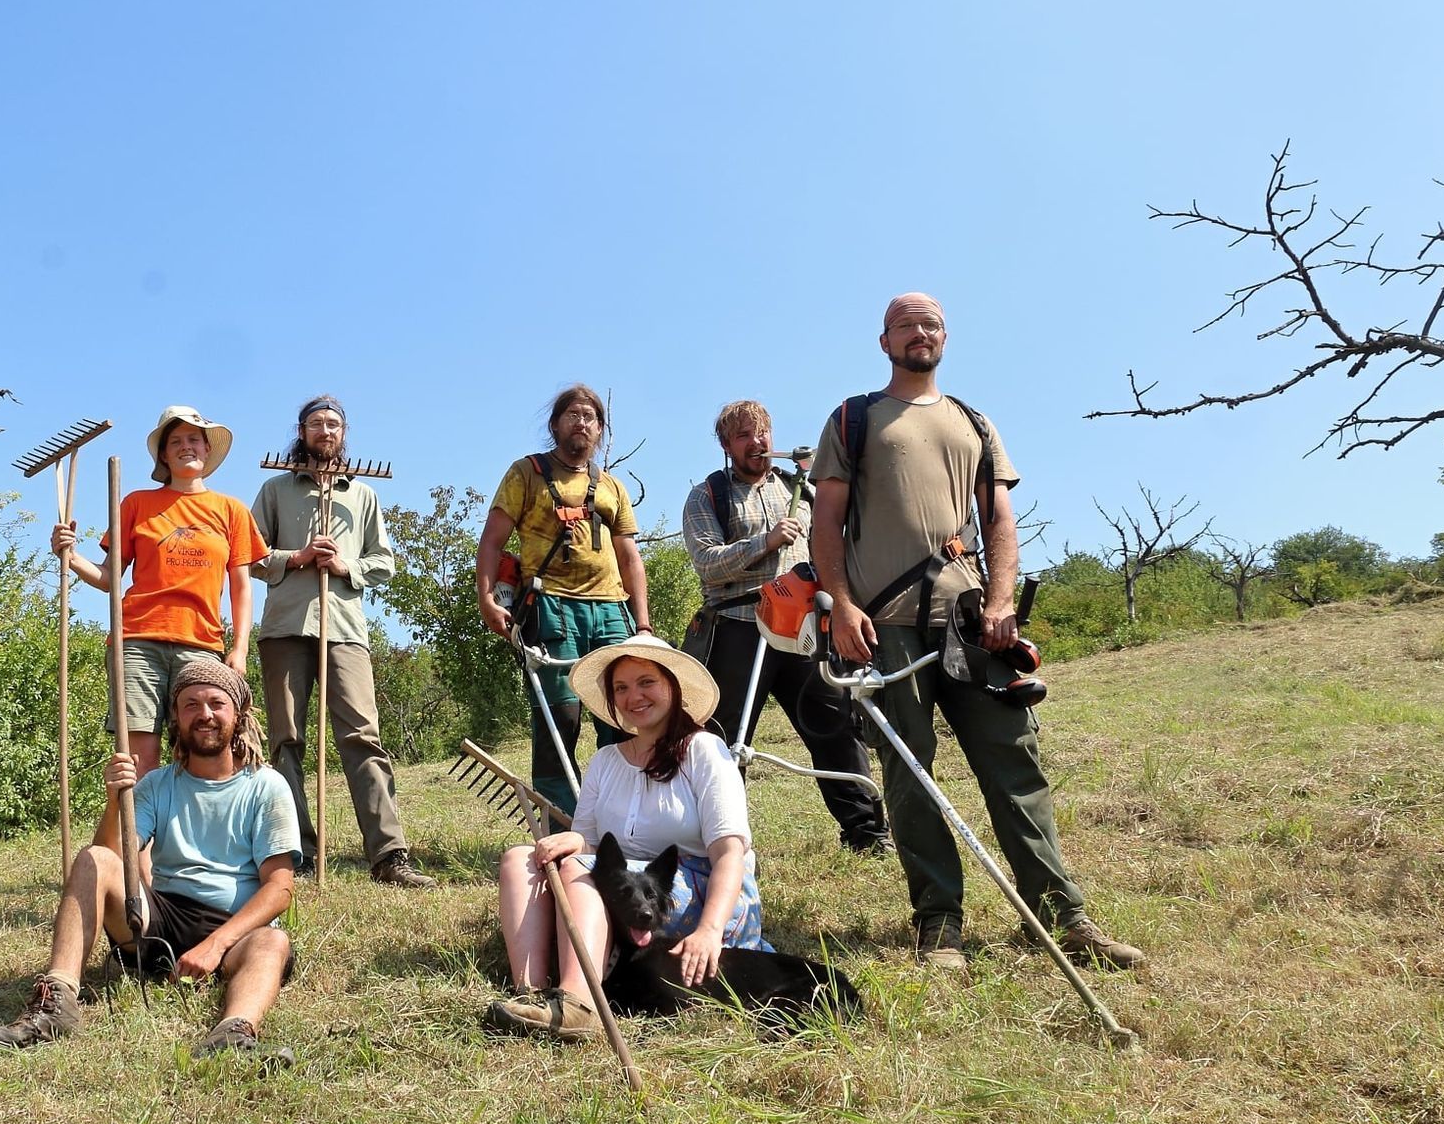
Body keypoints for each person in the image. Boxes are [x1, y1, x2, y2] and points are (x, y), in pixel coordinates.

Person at [809, 292, 1144, 975]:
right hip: (885, 625)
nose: (918, 333)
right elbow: (826, 524)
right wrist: (841, 606)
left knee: (1013, 759)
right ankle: (940, 926)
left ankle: (1061, 916)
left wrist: (1000, 599)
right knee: (909, 775)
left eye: (929, 323)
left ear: (945, 337)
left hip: (969, 624)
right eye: (905, 324)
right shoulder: (854, 418)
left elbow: (998, 522)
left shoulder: (974, 422)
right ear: (884, 342)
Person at [0, 656, 300, 1057]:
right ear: (175, 718)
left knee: (273, 940)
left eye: (216, 703)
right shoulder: (157, 784)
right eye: (191, 704)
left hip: (234, 929)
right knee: (93, 857)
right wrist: (116, 801)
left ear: (238, 715)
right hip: (160, 920)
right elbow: (111, 859)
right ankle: (56, 1003)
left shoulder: (266, 787)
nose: (204, 714)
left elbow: (279, 888)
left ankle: (233, 1035)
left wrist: (216, 945)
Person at [484, 635, 768, 1042]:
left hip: (698, 893)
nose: (633, 695)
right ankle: (531, 995)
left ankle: (579, 1004)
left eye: (646, 682)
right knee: (519, 858)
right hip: (627, 889)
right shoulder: (605, 761)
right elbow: (590, 842)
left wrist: (708, 931)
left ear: (672, 685)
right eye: (621, 687)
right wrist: (573, 842)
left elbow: (730, 854)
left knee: (579, 871)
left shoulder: (706, 751)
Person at [682, 400, 892, 854]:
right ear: (726, 445)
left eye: (762, 434)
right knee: (724, 742)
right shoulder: (708, 495)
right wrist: (767, 540)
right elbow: (707, 563)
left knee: (837, 727)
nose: (756, 443)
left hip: (802, 630)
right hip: (738, 625)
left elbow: (836, 549)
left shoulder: (803, 488)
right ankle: (721, 844)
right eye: (743, 436)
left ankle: (868, 834)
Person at [250, 395, 436, 888]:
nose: (325, 430)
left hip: (345, 630)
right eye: (317, 423)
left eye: (333, 423)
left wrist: (344, 566)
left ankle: (388, 855)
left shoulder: (363, 496)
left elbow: (383, 561)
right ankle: (295, 853)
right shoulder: (275, 489)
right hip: (286, 627)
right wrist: (299, 556)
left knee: (361, 736)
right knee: (286, 741)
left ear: (344, 432)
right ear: (302, 430)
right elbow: (251, 557)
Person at [52, 405, 267, 778]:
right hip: (136, 641)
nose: (187, 447)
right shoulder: (137, 504)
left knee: (203, 750)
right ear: (164, 455)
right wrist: (69, 555)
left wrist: (240, 649)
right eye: (176, 441)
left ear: (206, 449)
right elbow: (108, 579)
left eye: (194, 440)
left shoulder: (232, 510)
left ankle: (194, 835)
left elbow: (242, 587)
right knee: (141, 761)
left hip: (202, 644)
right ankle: (139, 838)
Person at [475, 385, 652, 811]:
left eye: (590, 417)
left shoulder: (611, 487)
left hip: (611, 610)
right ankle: (562, 824)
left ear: (600, 431)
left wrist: (643, 624)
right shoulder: (526, 473)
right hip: (550, 608)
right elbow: (492, 541)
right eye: (572, 415)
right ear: (554, 425)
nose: (582, 423)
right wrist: (486, 598)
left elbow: (630, 557)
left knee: (622, 718)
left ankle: (625, 820)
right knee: (562, 717)